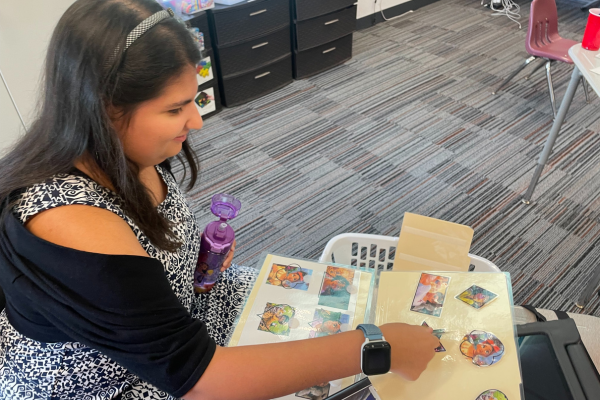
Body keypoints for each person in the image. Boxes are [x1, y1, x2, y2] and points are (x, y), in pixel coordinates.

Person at [0, 0, 439, 399]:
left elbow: (145, 260)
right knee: (326, 360)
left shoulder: (127, 150)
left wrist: (194, 257)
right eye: (175, 109)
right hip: (114, 379)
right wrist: (380, 347)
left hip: (188, 309)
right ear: (101, 108)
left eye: (193, 101)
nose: (196, 121)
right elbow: (200, 380)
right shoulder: (70, 222)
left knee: (331, 308)